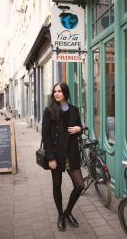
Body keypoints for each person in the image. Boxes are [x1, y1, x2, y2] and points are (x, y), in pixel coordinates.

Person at [42, 82, 84, 231]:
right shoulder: (49, 111)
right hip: (56, 154)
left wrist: (80, 128)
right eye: (55, 91)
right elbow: (45, 135)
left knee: (80, 186)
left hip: (71, 153)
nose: (57, 94)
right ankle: (61, 215)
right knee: (57, 185)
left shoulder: (74, 110)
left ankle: (67, 212)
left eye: (59, 91)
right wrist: (50, 158)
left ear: (65, 93)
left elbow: (79, 128)